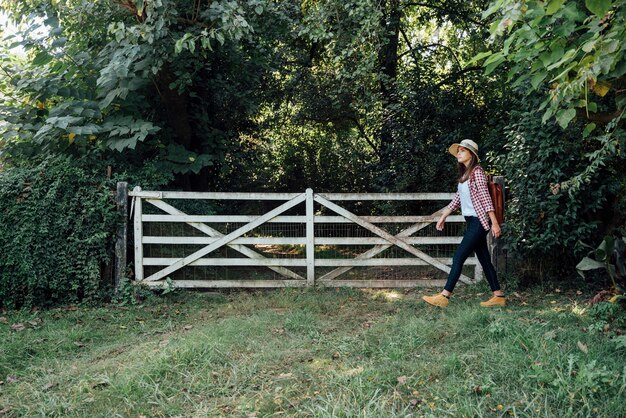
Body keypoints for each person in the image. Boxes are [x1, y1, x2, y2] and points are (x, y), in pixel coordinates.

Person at [422, 139, 505, 308]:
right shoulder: (465, 175)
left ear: (471, 155)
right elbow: (458, 199)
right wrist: (443, 216)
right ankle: (498, 296)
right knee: (484, 259)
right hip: (472, 221)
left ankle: (444, 296)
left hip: (479, 222)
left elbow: (486, 199)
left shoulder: (477, 172)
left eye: (462, 151)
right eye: (458, 151)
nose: (458, 153)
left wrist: (495, 223)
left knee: (458, 256)